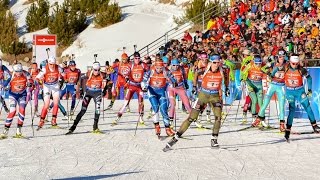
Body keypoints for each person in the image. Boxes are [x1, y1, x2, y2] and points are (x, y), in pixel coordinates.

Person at [163, 55, 229, 151]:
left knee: (218, 118)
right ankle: (175, 138)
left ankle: (214, 140)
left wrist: (226, 87)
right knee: (191, 118)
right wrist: (194, 86)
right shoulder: (205, 70)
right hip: (203, 95)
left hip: (215, 96)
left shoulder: (222, 70)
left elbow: (226, 78)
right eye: (214, 62)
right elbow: (196, 74)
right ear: (211, 62)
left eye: (218, 62)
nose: (216, 64)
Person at [283, 55, 320, 141]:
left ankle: (314, 126)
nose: (295, 65)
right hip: (290, 92)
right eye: (293, 63)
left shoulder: (301, 69)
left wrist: (310, 90)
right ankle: (288, 130)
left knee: (307, 107)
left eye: (296, 63)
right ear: (290, 62)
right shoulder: (285, 68)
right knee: (292, 110)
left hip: (300, 91)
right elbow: (274, 71)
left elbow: (309, 78)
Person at [66, 62, 108, 134]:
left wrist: (105, 89)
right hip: (89, 92)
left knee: (97, 110)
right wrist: (81, 90)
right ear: (92, 69)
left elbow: (109, 81)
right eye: (95, 70)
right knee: (83, 110)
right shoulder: (89, 73)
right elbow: (80, 79)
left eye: (98, 70)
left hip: (97, 93)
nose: (96, 72)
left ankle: (95, 127)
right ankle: (73, 127)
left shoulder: (102, 74)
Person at [141, 60, 177, 137]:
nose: (159, 70)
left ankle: (168, 129)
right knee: (155, 108)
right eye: (157, 68)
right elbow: (144, 80)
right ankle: (157, 126)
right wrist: (144, 87)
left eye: (161, 68)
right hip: (152, 91)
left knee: (164, 110)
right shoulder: (151, 71)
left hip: (161, 91)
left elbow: (173, 78)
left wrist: (174, 82)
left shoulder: (166, 71)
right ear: (155, 67)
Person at [254, 50, 287, 131]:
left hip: (281, 86)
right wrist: (269, 73)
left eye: (282, 57)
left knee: (281, 106)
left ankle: (282, 124)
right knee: (265, 103)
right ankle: (259, 118)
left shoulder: (287, 64)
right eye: (279, 57)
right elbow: (262, 69)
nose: (281, 59)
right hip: (272, 85)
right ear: (277, 57)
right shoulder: (273, 63)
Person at [113, 52, 149, 125]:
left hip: (139, 87)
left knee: (141, 102)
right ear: (133, 58)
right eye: (136, 58)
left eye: (139, 58)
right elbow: (127, 71)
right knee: (126, 102)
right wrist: (126, 76)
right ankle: (118, 117)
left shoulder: (143, 65)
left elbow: (149, 71)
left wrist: (145, 80)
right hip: (131, 86)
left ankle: (141, 118)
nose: (137, 60)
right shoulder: (131, 65)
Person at [0, 63, 33, 139]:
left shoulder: (25, 73)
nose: (19, 73)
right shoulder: (11, 75)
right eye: (17, 71)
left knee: (22, 110)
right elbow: (6, 83)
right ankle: (5, 130)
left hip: (22, 95)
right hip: (13, 95)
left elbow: (31, 80)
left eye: (20, 71)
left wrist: (30, 84)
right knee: (13, 111)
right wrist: (5, 87)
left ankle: (19, 130)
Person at [36, 56, 64, 130]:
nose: (52, 66)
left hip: (55, 85)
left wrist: (62, 79)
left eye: (53, 64)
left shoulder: (58, 68)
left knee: (56, 103)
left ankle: (54, 120)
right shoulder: (45, 69)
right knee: (47, 104)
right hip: (47, 86)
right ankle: (41, 120)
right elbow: (37, 78)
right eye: (51, 64)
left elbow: (64, 74)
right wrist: (40, 81)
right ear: (48, 63)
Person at [167, 58, 191, 127]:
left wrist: (186, 84)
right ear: (171, 65)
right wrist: (171, 82)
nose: (175, 67)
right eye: (174, 65)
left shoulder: (181, 69)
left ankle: (194, 119)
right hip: (172, 89)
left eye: (177, 65)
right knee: (173, 104)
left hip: (180, 88)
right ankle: (171, 121)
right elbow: (166, 79)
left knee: (187, 104)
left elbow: (184, 77)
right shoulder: (169, 70)